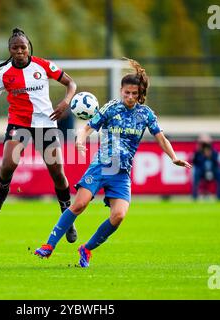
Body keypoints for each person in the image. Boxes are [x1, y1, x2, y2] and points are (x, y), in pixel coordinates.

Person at [34, 58, 192, 267]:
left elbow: (161, 138)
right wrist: (80, 142)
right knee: (79, 204)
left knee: (118, 216)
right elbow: (86, 128)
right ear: (121, 90)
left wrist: (173, 157)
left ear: (140, 94)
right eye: (127, 92)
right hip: (101, 165)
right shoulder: (111, 108)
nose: (130, 97)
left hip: (122, 173)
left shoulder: (146, 114)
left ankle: (86, 249)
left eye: (134, 94)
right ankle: (49, 245)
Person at [0, 28, 78, 243]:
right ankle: (2, 192)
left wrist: (65, 102)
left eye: (23, 47)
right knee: (8, 165)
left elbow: (71, 84)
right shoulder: (4, 74)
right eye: (15, 48)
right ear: (10, 50)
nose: (19, 51)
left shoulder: (43, 65)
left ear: (29, 48)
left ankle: (67, 217)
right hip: (19, 124)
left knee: (57, 173)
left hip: (46, 124)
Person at [191, 134, 220, 200]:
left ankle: (219, 197)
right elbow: (194, 162)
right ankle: (195, 197)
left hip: (212, 170)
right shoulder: (198, 152)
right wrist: (202, 155)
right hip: (202, 171)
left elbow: (216, 162)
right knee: (196, 173)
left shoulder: (214, 152)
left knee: (219, 173)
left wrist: (210, 156)